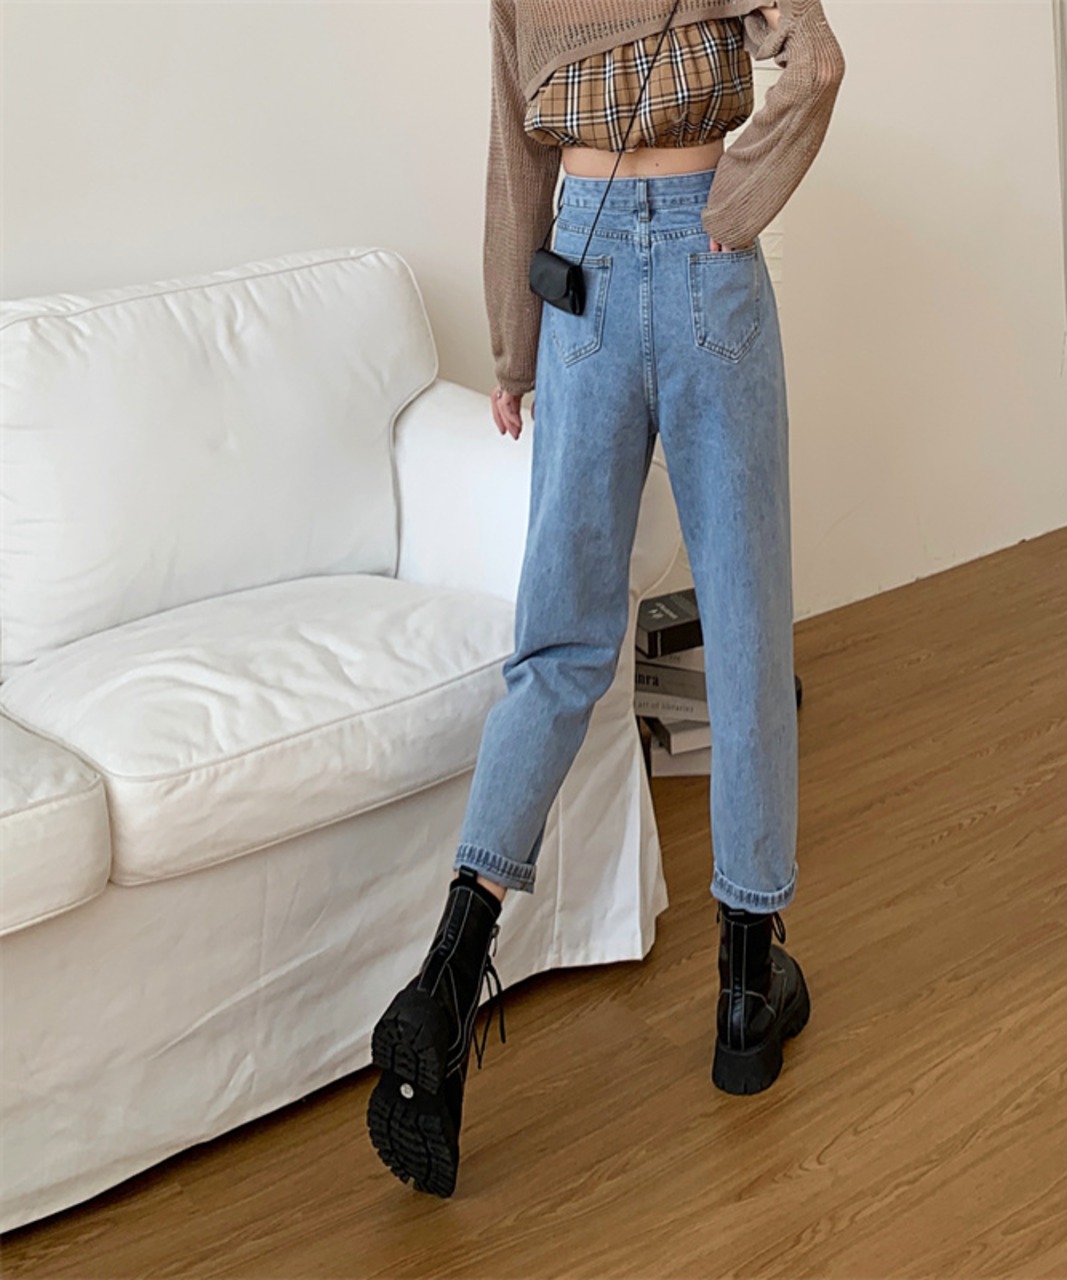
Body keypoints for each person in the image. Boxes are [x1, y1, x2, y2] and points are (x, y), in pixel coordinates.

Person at [366, 0, 845, 1198]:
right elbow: (814, 63)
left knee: (559, 647)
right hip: (701, 252)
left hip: (575, 265)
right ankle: (745, 988)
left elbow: (511, 147)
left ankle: (448, 971)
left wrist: (510, 347)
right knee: (743, 623)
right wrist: (731, 207)